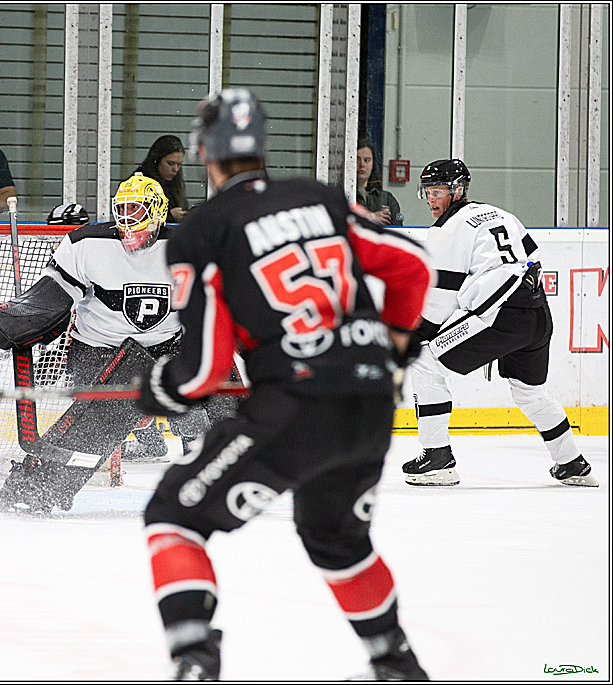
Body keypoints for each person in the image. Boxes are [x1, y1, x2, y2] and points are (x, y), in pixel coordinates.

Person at [134, 89, 434, 680]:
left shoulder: (203, 229)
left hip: (295, 408)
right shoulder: (317, 198)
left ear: (202, 151)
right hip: (372, 407)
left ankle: (194, 662)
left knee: (173, 517)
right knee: (336, 538)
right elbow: (411, 267)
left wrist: (162, 390)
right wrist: (396, 344)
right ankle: (395, 664)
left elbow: (203, 371)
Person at [0, 175, 229, 515]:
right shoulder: (87, 243)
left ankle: (221, 478)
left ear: (158, 213)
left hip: (166, 344)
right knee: (116, 403)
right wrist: (24, 321)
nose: (128, 220)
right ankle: (32, 489)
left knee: (220, 390)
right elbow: (53, 295)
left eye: (137, 210)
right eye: (122, 210)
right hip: (101, 350)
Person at [401, 159, 598, 488]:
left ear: (458, 190)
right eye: (428, 192)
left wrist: (417, 335)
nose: (432, 199)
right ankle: (572, 463)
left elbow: (440, 300)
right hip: (537, 314)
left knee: (423, 358)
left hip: (501, 317)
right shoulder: (501, 214)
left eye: (438, 192)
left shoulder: (447, 230)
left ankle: (437, 459)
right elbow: (530, 258)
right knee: (530, 393)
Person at [136, 135, 190, 222]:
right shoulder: (139, 182)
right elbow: (136, 219)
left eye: (179, 164)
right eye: (170, 163)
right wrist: (169, 216)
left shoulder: (174, 183)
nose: (175, 169)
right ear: (157, 160)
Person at [356, 138, 402, 226]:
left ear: (373, 164)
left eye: (367, 160)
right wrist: (368, 217)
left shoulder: (387, 199)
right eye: (357, 160)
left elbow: (398, 229)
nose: (362, 165)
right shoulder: (344, 196)